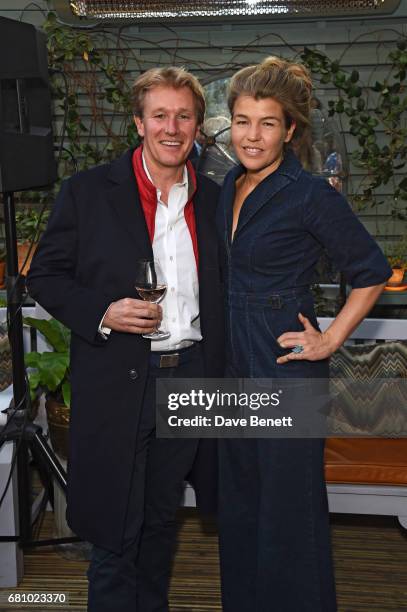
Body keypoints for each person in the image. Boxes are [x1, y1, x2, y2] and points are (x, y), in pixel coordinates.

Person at [27, 66, 224, 612]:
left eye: (184, 116)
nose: (172, 127)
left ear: (198, 127)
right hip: (118, 381)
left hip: (190, 378)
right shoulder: (88, 191)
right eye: (159, 115)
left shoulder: (213, 199)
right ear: (138, 123)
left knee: (162, 524)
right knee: (116, 532)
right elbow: (43, 275)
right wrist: (103, 310)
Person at [216, 56, 391, 612]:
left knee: (290, 509)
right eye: (243, 121)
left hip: (284, 361)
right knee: (238, 500)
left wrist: (331, 339)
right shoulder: (228, 186)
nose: (252, 135)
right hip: (230, 358)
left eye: (267, 123)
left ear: (290, 130)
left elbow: (371, 271)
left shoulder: (311, 193)